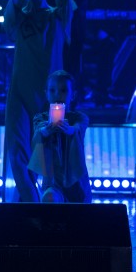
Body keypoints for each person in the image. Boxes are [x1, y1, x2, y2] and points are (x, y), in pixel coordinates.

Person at [3, 0, 73, 203]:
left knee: (48, 158)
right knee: (17, 155)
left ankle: (45, 205)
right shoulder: (19, 16)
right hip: (21, 94)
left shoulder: (57, 16)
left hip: (49, 97)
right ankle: (32, 206)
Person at [28, 70, 92, 203]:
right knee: (50, 198)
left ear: (72, 95)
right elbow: (39, 132)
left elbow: (78, 128)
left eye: (63, 90)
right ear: (46, 94)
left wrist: (70, 130)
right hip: (52, 181)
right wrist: (46, 130)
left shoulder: (79, 118)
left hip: (76, 181)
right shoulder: (41, 118)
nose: (57, 94)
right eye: (52, 90)